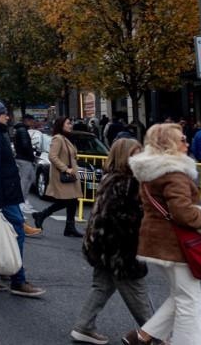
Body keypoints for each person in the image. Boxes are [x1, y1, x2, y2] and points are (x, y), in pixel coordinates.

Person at [125, 123, 201, 345]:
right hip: (175, 244)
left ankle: (142, 336)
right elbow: (183, 213)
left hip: (157, 242)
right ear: (168, 144)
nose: (187, 143)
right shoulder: (173, 173)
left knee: (181, 295)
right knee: (190, 301)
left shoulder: (152, 170)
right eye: (182, 139)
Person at [72, 139, 155, 344]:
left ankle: (84, 326)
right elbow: (115, 217)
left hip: (102, 245)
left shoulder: (112, 178)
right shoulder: (127, 181)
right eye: (135, 155)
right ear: (124, 157)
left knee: (102, 286)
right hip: (120, 248)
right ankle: (157, 335)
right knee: (137, 291)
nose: (140, 158)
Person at [0, 100, 45, 298]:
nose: (7, 116)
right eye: (4, 113)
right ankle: (17, 280)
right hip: (2, 195)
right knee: (16, 232)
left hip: (4, 194)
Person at [33, 117, 85, 237]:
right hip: (63, 174)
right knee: (67, 200)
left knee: (73, 199)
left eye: (71, 123)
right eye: (68, 123)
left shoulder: (68, 138)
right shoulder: (58, 138)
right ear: (61, 125)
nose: (70, 125)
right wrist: (65, 168)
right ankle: (41, 214)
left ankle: (70, 227)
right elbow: (52, 156)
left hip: (71, 174)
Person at [10, 114, 42, 235]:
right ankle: (22, 200)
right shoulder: (23, 130)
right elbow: (25, 145)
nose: (32, 123)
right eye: (31, 121)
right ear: (27, 120)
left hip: (24, 157)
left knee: (29, 178)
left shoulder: (21, 130)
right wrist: (31, 154)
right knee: (26, 179)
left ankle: (23, 199)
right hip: (24, 158)